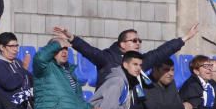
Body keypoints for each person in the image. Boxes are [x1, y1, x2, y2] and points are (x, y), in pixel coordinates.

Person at [55, 23, 200, 91]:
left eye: (139, 41)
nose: (138, 43)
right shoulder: (107, 58)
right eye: (134, 41)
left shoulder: (140, 61)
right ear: (122, 44)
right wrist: (72, 38)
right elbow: (89, 51)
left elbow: (160, 52)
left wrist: (184, 38)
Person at [33, 32, 88, 109]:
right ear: (52, 50)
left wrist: (90, 108)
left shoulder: (70, 71)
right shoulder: (45, 67)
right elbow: (40, 58)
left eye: (66, 48)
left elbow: (76, 99)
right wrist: (58, 43)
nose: (64, 51)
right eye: (60, 49)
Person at [0, 32, 34, 109]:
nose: (16, 49)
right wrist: (24, 68)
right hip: (9, 107)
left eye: (16, 46)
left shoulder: (17, 62)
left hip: (25, 105)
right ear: (2, 47)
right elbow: (10, 84)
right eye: (11, 46)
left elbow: (30, 80)